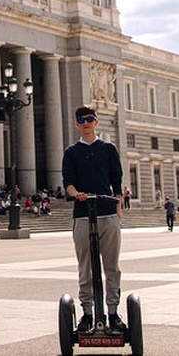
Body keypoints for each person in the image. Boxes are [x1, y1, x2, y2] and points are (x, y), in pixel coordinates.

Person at [62, 106, 125, 333]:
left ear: (96, 122)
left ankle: (113, 312)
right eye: (81, 120)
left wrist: (118, 205)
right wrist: (74, 192)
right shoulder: (71, 151)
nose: (86, 123)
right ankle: (87, 313)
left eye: (89, 119)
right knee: (85, 267)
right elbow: (67, 181)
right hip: (82, 214)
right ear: (76, 124)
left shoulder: (108, 149)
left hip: (107, 212)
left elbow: (117, 179)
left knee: (111, 266)